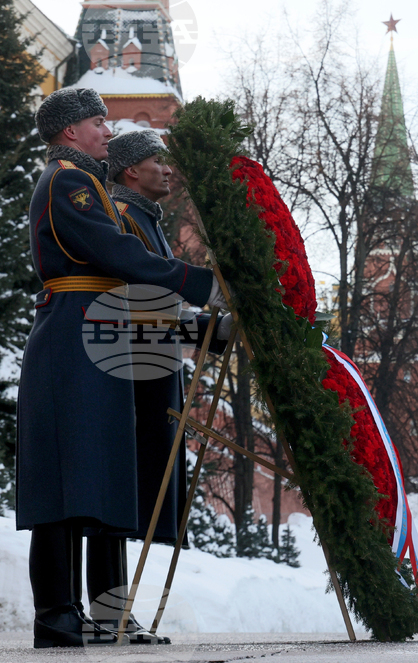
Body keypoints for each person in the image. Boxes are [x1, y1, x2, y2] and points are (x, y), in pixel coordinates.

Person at [19, 88, 228, 649]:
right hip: (74, 333)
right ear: (69, 132)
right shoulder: (68, 180)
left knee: (95, 484)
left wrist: (199, 323)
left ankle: (88, 613)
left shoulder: (84, 182)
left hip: (94, 334)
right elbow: (116, 254)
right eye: (97, 122)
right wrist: (198, 284)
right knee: (67, 484)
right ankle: (56, 613)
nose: (107, 132)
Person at [98, 130, 232, 644]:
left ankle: (114, 614)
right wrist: (198, 321)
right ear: (131, 170)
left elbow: (160, 311)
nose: (168, 170)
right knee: (118, 497)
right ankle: (108, 613)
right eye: (158, 161)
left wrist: (207, 330)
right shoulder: (125, 220)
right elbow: (134, 308)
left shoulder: (147, 221)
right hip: (131, 372)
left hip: (152, 369)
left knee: (130, 499)